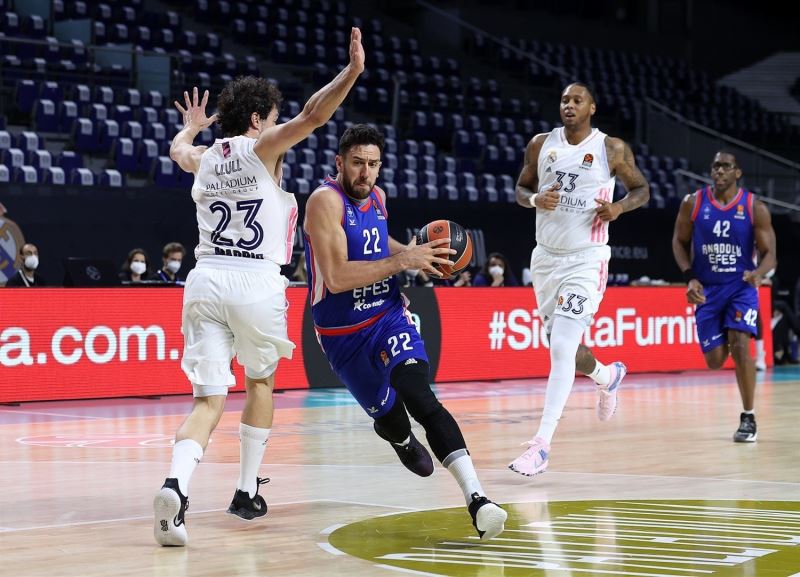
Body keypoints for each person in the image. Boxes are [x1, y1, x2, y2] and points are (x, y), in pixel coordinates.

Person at [153, 27, 365, 547]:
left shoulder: (205, 158)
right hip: (255, 280)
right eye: (273, 116)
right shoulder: (261, 147)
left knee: (207, 401)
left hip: (204, 280)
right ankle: (246, 490)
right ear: (257, 119)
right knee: (260, 383)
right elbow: (315, 116)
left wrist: (189, 129)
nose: (279, 125)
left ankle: (175, 487)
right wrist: (352, 72)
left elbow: (179, 149)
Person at [303, 124, 507, 540]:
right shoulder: (324, 203)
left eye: (373, 165)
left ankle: (478, 500)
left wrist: (416, 254)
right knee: (393, 420)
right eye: (357, 163)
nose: (365, 173)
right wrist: (404, 262)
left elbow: (381, 245)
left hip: (388, 314)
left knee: (420, 396)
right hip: (342, 333)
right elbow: (338, 276)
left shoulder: (378, 196)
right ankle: (398, 439)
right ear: (340, 163)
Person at [510, 82, 650, 476]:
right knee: (567, 350)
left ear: (592, 107)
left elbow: (642, 190)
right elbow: (521, 188)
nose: (569, 106)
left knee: (561, 348)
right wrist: (535, 199)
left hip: (586, 261)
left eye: (577, 101)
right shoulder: (541, 144)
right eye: (564, 100)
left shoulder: (611, 149)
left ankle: (541, 445)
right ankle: (608, 376)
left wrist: (619, 208)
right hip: (546, 260)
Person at [672, 151, 777, 442]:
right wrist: (689, 276)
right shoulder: (692, 203)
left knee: (741, 345)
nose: (719, 171)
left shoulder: (754, 207)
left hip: (741, 287)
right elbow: (679, 243)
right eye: (715, 165)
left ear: (737, 173)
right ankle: (730, 338)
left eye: (726, 166)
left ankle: (748, 417)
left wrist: (759, 274)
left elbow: (770, 255)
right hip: (707, 290)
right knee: (715, 361)